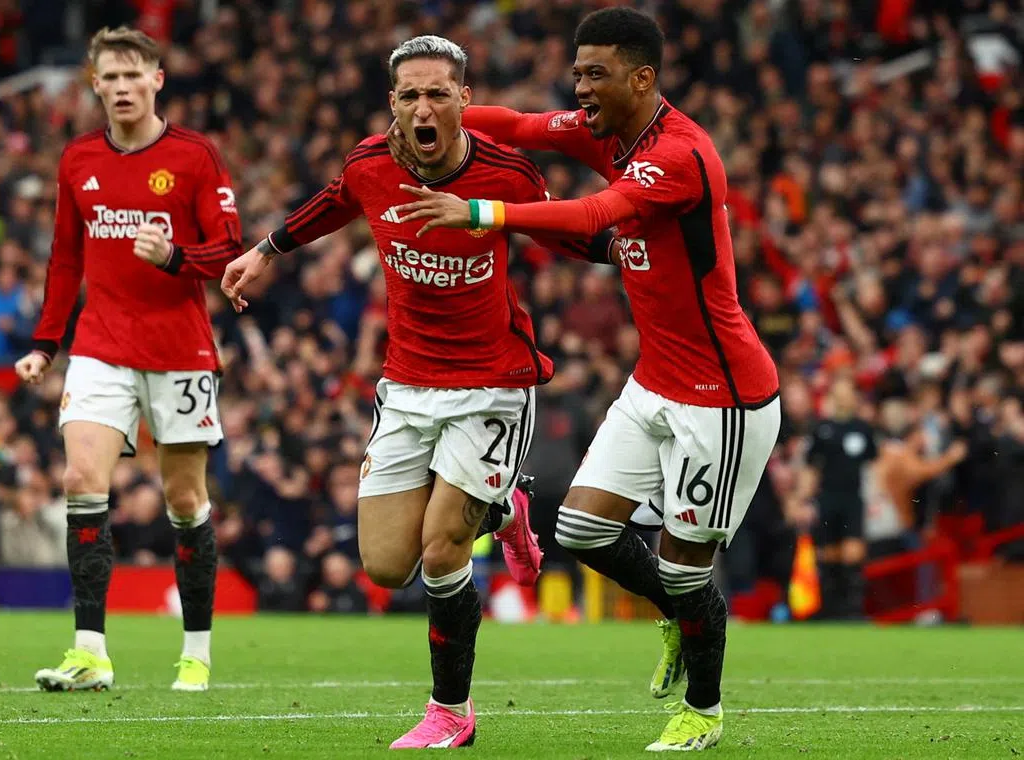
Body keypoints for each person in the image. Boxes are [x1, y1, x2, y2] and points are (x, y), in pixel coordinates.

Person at [389, 9, 781, 752]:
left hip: (724, 397)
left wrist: (484, 211)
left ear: (642, 78)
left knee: (685, 563)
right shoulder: (607, 127)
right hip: (656, 380)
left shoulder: (682, 153)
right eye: (577, 72)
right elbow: (525, 124)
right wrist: (439, 106)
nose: (579, 86)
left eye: (594, 73)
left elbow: (602, 209)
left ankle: (703, 709)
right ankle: (682, 613)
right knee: (581, 529)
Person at [221, 35, 611, 749]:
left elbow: (574, 237)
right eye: (410, 96)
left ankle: (451, 711)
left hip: (493, 384)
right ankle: (503, 507)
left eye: (438, 93)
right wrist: (266, 250)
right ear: (392, 106)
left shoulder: (506, 174)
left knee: (440, 552)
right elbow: (334, 202)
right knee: (385, 564)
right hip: (405, 386)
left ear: (465, 101)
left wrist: (646, 232)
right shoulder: (371, 164)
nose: (424, 108)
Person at [15, 26, 242, 693]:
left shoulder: (196, 157)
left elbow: (229, 249)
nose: (120, 87)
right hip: (101, 345)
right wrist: (44, 343)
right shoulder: (77, 159)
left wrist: (175, 257)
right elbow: (65, 257)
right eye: (108, 77)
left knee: (184, 498)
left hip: (179, 349)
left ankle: (195, 651)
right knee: (82, 479)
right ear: (95, 84)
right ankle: (90, 651)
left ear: (157, 80)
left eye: (131, 75)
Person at [798, 375, 878, 619]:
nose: (844, 397)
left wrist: (877, 498)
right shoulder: (822, 428)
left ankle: (853, 612)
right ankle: (830, 611)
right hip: (828, 498)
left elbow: (873, 466)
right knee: (828, 553)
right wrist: (803, 500)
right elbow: (811, 467)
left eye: (848, 392)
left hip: (852, 499)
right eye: (839, 392)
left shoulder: (862, 428)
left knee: (853, 553)